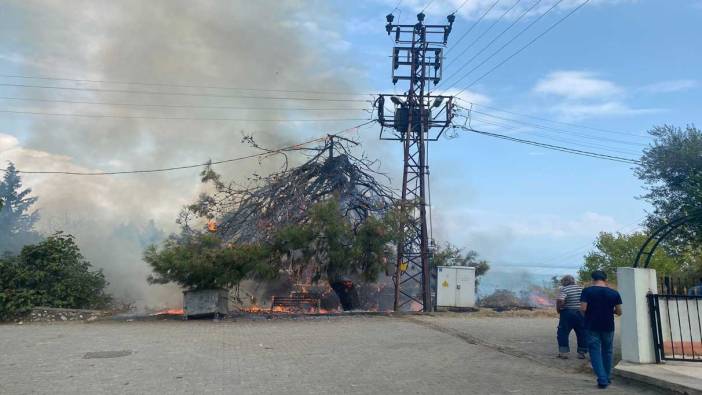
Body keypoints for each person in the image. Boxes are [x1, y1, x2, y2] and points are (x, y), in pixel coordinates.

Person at [580, 270, 622, 389]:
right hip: (608, 325)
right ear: (605, 280)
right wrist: (609, 311)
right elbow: (619, 312)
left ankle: (602, 379)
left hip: (592, 325)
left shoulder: (587, 291)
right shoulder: (614, 293)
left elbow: (583, 308)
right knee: (607, 351)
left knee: (594, 351)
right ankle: (607, 377)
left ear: (593, 279)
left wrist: (588, 316)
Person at [556, 275, 587, 359]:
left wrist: (559, 308)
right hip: (581, 313)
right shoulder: (582, 289)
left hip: (568, 313)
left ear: (565, 282)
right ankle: (581, 353)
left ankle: (564, 353)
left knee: (562, 332)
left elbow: (560, 300)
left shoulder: (565, 289)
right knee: (582, 332)